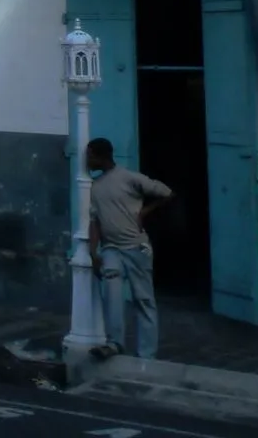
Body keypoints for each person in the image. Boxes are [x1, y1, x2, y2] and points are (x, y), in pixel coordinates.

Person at [87, 136, 172, 361]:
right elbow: (94, 222)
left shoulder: (129, 178)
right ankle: (114, 343)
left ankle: (147, 355)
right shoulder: (95, 187)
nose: (87, 160)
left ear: (99, 156)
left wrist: (144, 212)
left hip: (136, 248)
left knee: (143, 300)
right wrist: (92, 252)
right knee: (112, 295)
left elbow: (166, 193)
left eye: (90, 155)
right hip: (111, 250)